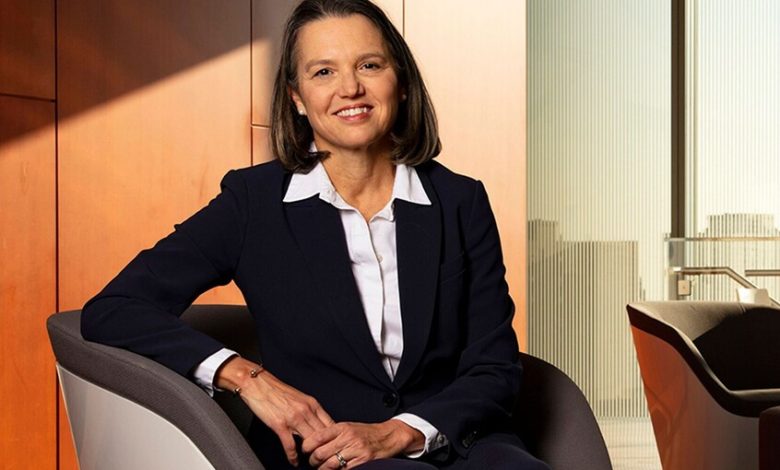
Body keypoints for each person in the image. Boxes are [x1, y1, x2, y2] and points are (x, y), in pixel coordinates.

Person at [81, 1, 549, 469]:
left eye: (370, 65)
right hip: (327, 455)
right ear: (297, 97)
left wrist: (402, 432)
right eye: (323, 72)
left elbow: (494, 366)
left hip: (455, 442)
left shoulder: (460, 200)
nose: (350, 88)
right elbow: (115, 309)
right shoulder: (253, 203)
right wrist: (244, 376)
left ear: (402, 82)